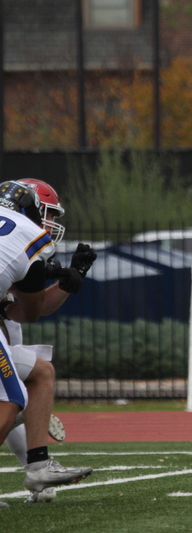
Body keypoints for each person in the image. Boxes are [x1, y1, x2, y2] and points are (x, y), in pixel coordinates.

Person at [0, 180, 92, 509]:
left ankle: (39, 465)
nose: (50, 222)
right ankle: (38, 466)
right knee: (12, 398)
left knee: (37, 374)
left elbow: (16, 314)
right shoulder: (29, 235)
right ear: (31, 208)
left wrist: (59, 280)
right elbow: (29, 312)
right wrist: (52, 276)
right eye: (47, 212)